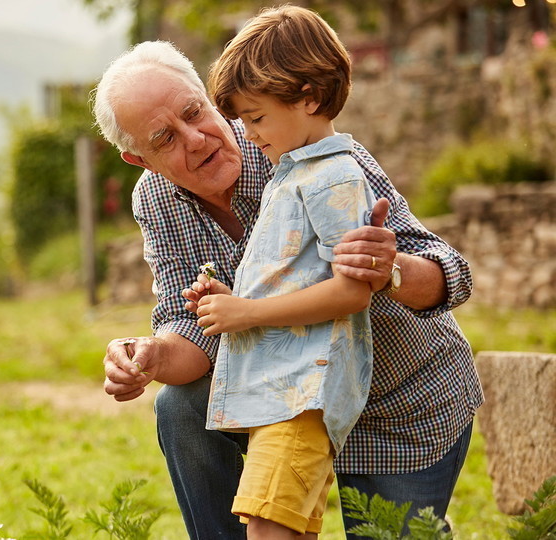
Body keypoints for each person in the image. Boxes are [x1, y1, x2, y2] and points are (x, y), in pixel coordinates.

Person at [93, 39, 482, 539]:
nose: (195, 138)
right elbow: (194, 329)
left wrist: (390, 269)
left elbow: (451, 273)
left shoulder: (311, 152)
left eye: (195, 112)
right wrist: (148, 355)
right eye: (165, 138)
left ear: (209, 97)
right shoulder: (156, 199)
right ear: (138, 159)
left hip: (396, 400)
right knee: (180, 405)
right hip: (285, 400)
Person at [191, 6, 377, 538]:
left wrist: (247, 312)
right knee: (272, 527)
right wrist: (229, 299)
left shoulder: (332, 177)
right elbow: (298, 277)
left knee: (271, 531)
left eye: (257, 117)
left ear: (310, 98)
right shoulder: (294, 171)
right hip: (281, 393)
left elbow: (352, 292)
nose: (247, 136)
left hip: (303, 393)